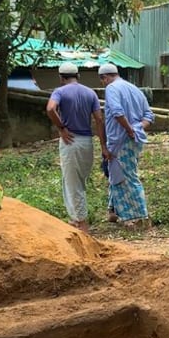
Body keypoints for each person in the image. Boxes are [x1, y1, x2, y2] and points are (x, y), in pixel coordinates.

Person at [46, 62, 108, 232]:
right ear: (78, 76)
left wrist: (61, 128)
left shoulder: (59, 92)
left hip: (70, 140)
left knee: (73, 182)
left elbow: (51, 109)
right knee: (78, 181)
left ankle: (80, 222)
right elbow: (99, 119)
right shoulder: (90, 93)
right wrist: (103, 144)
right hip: (86, 141)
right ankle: (75, 218)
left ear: (61, 78)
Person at [98, 63, 154, 228]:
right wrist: (137, 128)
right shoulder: (134, 89)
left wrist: (130, 129)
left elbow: (117, 112)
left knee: (127, 177)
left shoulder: (111, 88)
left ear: (105, 77)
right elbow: (149, 115)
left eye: (102, 81)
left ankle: (140, 216)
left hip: (120, 140)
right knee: (115, 174)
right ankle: (113, 211)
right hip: (132, 139)